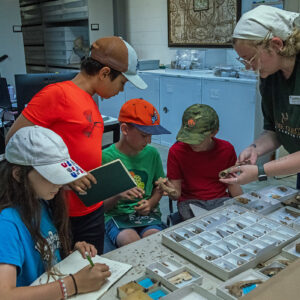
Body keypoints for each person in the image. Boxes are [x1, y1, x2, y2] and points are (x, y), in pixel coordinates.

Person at [5, 36, 147, 254]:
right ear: (105, 73)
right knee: (68, 267)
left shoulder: (89, 98)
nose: (121, 90)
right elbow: (13, 144)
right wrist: (66, 176)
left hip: (91, 205)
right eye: (122, 83)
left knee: (94, 265)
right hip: (60, 209)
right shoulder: (57, 95)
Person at [0, 126, 111, 298]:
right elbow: (5, 294)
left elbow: (43, 257)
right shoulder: (6, 223)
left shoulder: (41, 203)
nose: (59, 184)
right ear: (18, 174)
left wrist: (69, 255)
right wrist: (73, 284)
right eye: (51, 176)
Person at [219, 5, 300, 186]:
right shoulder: (270, 77)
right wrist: (254, 149)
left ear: (276, 45)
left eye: (251, 58)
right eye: (243, 60)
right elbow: (275, 131)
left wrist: (260, 172)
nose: (248, 66)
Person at [102, 98, 171, 247]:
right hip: (117, 216)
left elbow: (159, 187)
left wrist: (151, 203)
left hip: (148, 215)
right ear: (125, 129)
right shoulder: (106, 157)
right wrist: (118, 194)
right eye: (144, 136)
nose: (149, 141)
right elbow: (101, 207)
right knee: (130, 242)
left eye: (151, 136)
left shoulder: (152, 154)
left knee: (155, 241)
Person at [167, 104, 243, 220]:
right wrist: (169, 190)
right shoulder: (176, 151)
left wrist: (244, 205)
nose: (192, 143)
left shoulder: (226, 149)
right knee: (197, 228)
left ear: (214, 132)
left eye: (197, 139)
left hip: (219, 200)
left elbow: (232, 183)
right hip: (190, 202)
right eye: (188, 137)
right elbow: (176, 193)